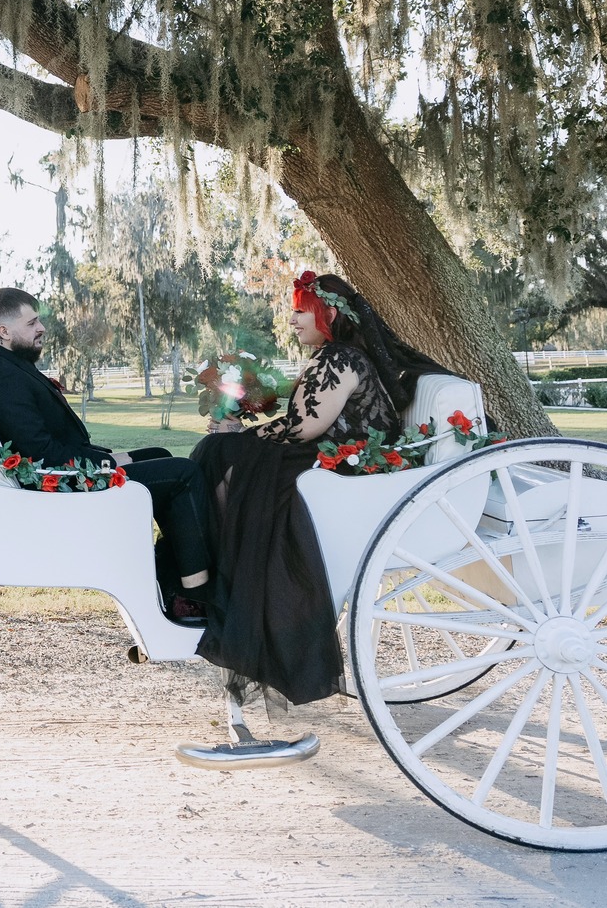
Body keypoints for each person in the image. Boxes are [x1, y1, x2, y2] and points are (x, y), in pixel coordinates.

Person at [189, 270, 450, 710]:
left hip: (342, 465)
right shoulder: (331, 356)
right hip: (330, 454)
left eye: (299, 311)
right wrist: (241, 430)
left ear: (329, 313)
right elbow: (302, 425)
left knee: (222, 456)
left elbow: (306, 427)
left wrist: (241, 434)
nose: (291, 320)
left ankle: (220, 581)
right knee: (220, 452)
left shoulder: (340, 359)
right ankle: (216, 576)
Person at [0, 286, 215, 622]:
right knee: (183, 475)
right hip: (61, 485)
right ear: (4, 331)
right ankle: (196, 596)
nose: (41, 327)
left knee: (160, 452)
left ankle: (172, 580)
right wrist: (108, 462)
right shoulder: (2, 378)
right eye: (32, 322)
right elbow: (44, 455)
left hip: (70, 467)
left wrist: (113, 457)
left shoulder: (10, 366)